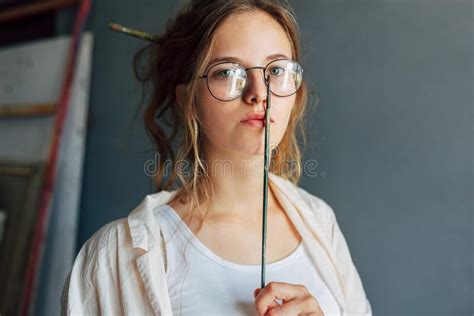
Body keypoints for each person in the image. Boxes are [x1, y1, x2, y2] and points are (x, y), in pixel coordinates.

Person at [61, 0, 372, 315]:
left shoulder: (320, 221)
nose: (259, 93)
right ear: (188, 100)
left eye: (276, 69)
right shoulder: (115, 257)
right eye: (227, 72)